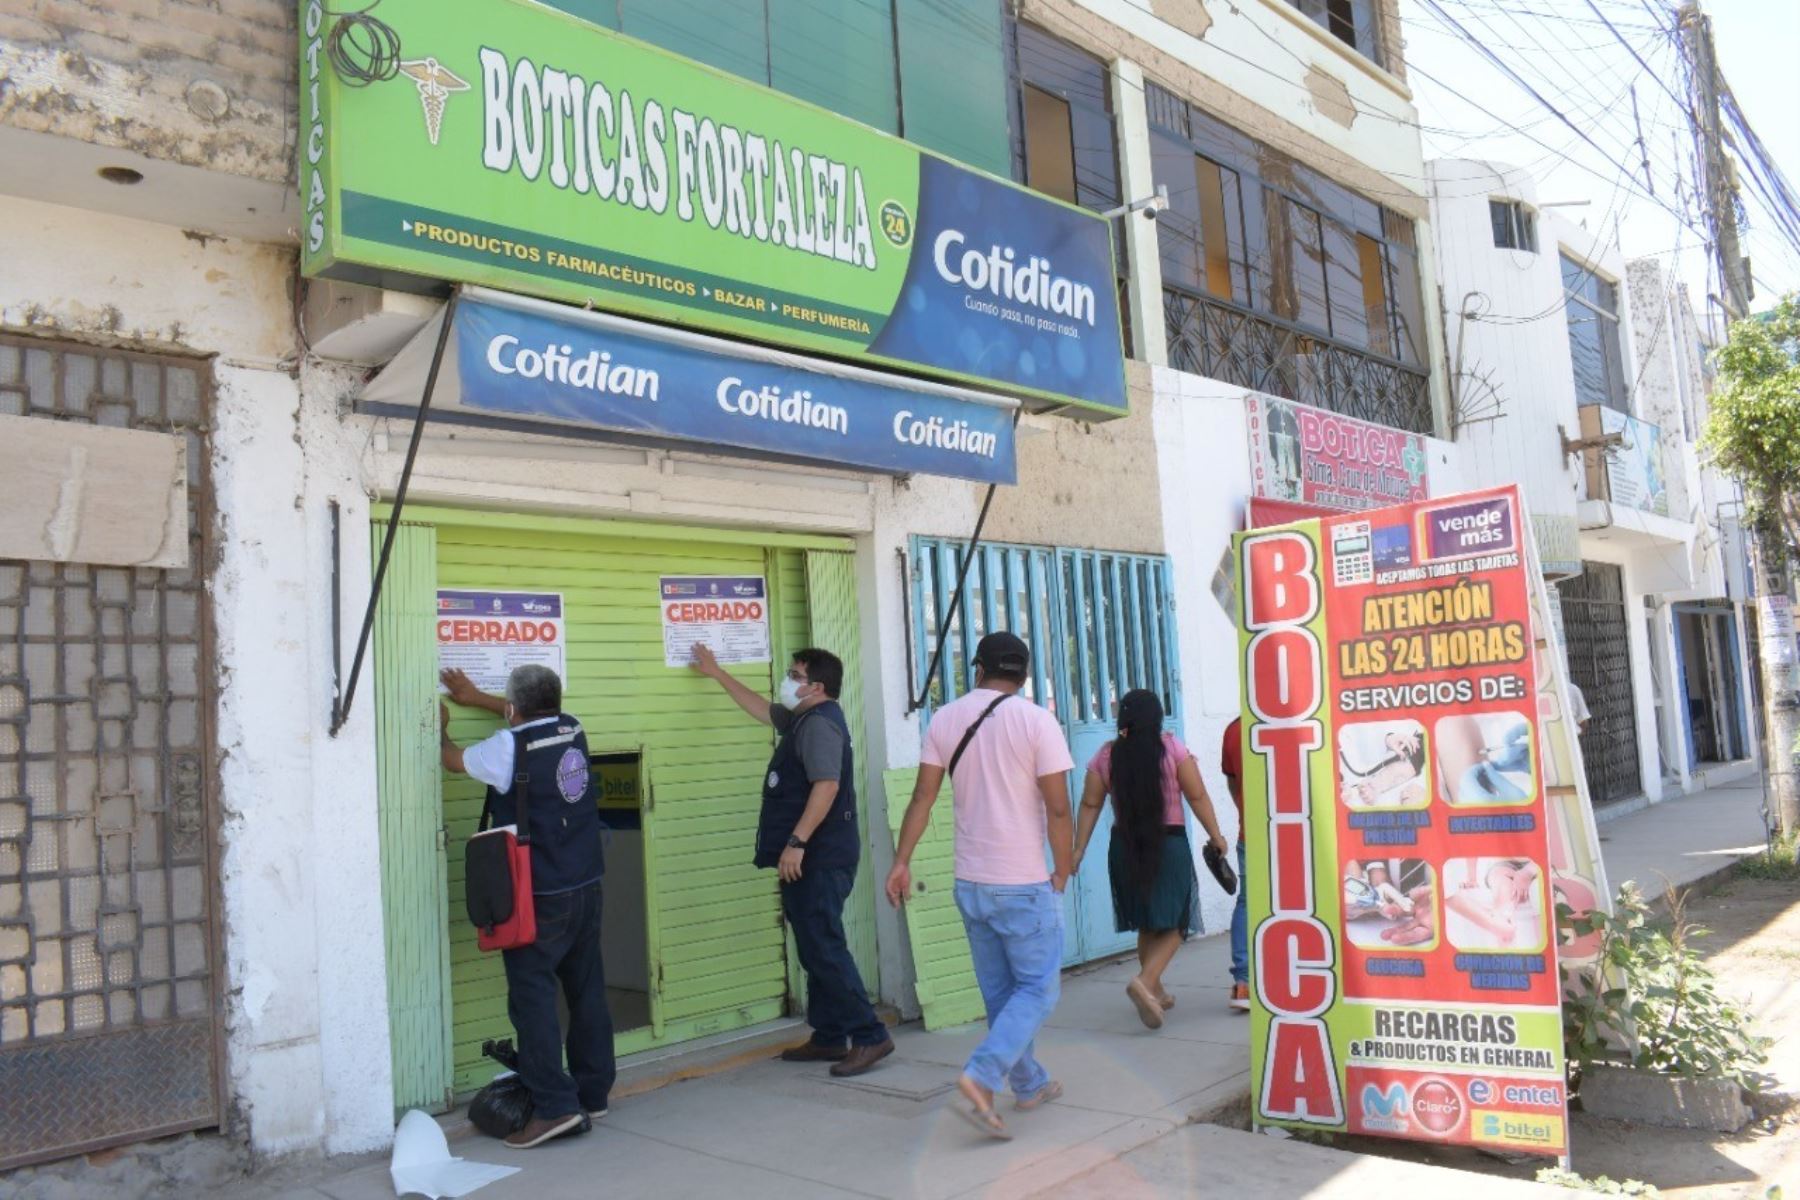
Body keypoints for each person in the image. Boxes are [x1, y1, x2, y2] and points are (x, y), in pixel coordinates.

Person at [885, 632, 1073, 1141]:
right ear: (1024, 674)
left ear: (977, 668)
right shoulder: (1037, 721)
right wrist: (1064, 867)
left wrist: (901, 862)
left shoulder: (945, 719)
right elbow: (1058, 807)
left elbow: (922, 798)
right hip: (1022, 881)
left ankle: (1029, 1083)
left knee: (1001, 993)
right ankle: (982, 1075)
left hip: (970, 881)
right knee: (1037, 988)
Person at [689, 643, 893, 1076]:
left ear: (816, 687)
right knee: (815, 947)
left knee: (824, 947)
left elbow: (826, 787)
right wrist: (718, 673)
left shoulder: (819, 726)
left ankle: (870, 1035)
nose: (787, 680)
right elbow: (763, 710)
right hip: (813, 856)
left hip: (819, 856)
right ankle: (830, 1036)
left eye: (794, 675)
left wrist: (796, 842)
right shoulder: (804, 719)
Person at [440, 665, 613, 1150]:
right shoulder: (572, 726)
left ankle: (555, 1108)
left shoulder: (505, 747)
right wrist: (477, 697)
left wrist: (442, 727)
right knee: (586, 989)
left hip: (538, 894)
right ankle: (593, 1091)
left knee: (532, 999)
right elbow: (527, 718)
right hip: (586, 881)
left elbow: (454, 761)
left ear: (514, 708)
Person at [1071, 689, 1229, 1031]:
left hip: (1124, 847)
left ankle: (1155, 990)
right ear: (1156, 717)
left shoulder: (1106, 755)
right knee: (1177, 921)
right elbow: (1197, 793)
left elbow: (1089, 804)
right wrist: (1216, 835)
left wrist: (1079, 848)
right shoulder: (1172, 748)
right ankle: (1145, 981)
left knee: (1147, 920)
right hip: (1168, 843)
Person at [1220, 718, 1250, 1013]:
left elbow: (1233, 782)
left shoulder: (1234, 729)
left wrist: (1244, 809)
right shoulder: (1301, 721)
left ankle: (1244, 983)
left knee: (1248, 902)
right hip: (1298, 831)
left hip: (1250, 830)